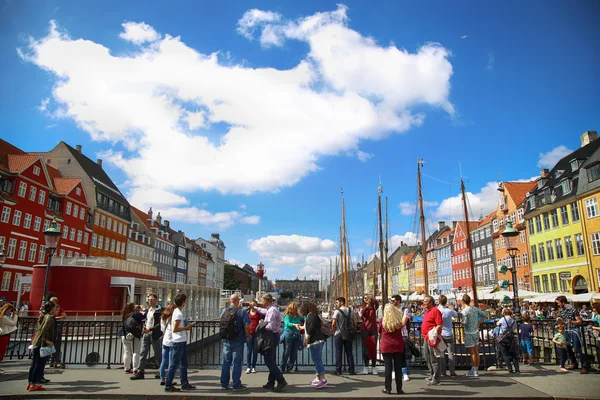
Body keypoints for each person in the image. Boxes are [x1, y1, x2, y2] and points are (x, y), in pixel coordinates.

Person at [252, 293, 287, 392]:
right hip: (273, 336)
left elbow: (270, 327)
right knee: (272, 360)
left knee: (268, 360)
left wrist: (261, 324)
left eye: (262, 300)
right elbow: (264, 310)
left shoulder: (272, 310)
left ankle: (281, 380)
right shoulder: (271, 308)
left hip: (270, 336)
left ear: (267, 300)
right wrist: (254, 307)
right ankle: (270, 382)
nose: (261, 302)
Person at [165, 293, 195, 391]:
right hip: (178, 342)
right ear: (183, 302)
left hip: (181, 341)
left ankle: (184, 383)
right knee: (175, 364)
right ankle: (168, 384)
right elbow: (175, 329)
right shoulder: (178, 313)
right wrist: (186, 327)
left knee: (183, 364)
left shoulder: (176, 312)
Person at [220, 294, 251, 391]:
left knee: (226, 362)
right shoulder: (242, 311)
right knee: (236, 363)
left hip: (226, 340)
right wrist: (249, 335)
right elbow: (247, 325)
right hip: (238, 340)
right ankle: (236, 385)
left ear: (230, 301)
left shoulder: (224, 311)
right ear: (238, 301)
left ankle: (224, 384)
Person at [131, 293, 163, 380]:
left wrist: (150, 329)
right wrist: (144, 328)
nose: (149, 301)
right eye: (148, 299)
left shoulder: (159, 311)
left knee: (157, 353)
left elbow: (159, 324)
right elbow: (146, 320)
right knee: (143, 352)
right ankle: (140, 371)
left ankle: (161, 371)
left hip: (154, 334)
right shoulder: (149, 310)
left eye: (151, 299)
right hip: (146, 333)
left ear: (156, 300)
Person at [27, 301, 58, 391]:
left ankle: (31, 383)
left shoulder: (42, 316)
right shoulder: (49, 318)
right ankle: (34, 384)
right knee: (39, 364)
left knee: (35, 363)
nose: (56, 309)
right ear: (51, 309)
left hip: (36, 342)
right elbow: (44, 330)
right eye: (55, 308)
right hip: (42, 343)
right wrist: (47, 340)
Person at [556, 295, 589, 374]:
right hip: (567, 330)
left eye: (558, 303)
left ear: (563, 302)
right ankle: (574, 363)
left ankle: (585, 366)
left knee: (577, 349)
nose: (558, 305)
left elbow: (579, 321)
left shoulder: (573, 309)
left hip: (574, 330)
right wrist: (559, 320)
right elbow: (562, 320)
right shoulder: (561, 311)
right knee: (568, 349)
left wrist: (571, 322)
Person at [378, 304, 405, 395]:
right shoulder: (398, 321)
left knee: (388, 368)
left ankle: (387, 388)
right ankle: (399, 389)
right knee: (398, 368)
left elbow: (379, 332)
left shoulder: (382, 321)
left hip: (386, 345)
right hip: (398, 345)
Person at [300, 301, 327, 389]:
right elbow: (310, 327)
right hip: (319, 340)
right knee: (317, 358)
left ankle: (322, 379)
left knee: (317, 359)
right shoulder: (314, 315)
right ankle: (318, 377)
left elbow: (311, 329)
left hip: (315, 341)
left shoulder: (310, 316)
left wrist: (306, 340)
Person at [460, 294, 487, 377]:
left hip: (469, 332)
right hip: (476, 331)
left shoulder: (464, 311)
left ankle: (474, 369)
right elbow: (484, 315)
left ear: (463, 302)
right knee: (476, 351)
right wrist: (478, 323)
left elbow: (464, 323)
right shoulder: (475, 309)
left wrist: (460, 319)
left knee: (472, 353)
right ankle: (476, 369)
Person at [421, 295, 443, 386]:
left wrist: (433, 334)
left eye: (426, 301)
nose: (424, 303)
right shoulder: (428, 311)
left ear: (431, 302)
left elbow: (439, 324)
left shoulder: (435, 311)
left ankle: (436, 378)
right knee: (426, 356)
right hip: (426, 337)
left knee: (434, 358)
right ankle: (432, 374)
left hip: (431, 337)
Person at [332, 296, 356, 376]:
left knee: (338, 352)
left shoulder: (337, 311)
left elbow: (333, 323)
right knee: (349, 352)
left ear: (341, 302)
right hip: (349, 333)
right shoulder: (350, 310)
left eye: (337, 302)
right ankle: (351, 370)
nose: (336, 304)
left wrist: (333, 330)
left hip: (339, 333)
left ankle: (338, 370)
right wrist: (353, 329)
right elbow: (354, 321)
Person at [391, 295, 412, 382]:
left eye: (394, 301)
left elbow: (403, 322)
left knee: (404, 355)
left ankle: (405, 372)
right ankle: (394, 371)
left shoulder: (405, 310)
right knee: (392, 355)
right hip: (393, 334)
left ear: (399, 301)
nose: (392, 302)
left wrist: (393, 324)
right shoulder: (391, 310)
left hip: (403, 335)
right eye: (391, 301)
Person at [280, 301, 304, 374]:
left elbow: (305, 318)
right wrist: (294, 325)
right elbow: (287, 323)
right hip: (288, 336)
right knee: (286, 352)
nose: (293, 310)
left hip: (296, 336)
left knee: (294, 353)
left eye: (294, 308)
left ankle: (290, 367)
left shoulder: (298, 316)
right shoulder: (287, 316)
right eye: (292, 308)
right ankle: (282, 368)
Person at [120, 302, 144, 374]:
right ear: (133, 307)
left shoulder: (125, 315)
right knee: (136, 352)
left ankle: (127, 368)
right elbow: (144, 315)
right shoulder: (135, 314)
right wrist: (143, 308)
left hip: (124, 334)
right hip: (134, 335)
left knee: (127, 352)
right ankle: (135, 369)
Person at [437, 295, 457, 377]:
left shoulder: (438, 310)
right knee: (451, 353)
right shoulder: (449, 311)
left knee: (441, 353)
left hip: (441, 333)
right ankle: (452, 371)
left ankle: (443, 371)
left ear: (439, 301)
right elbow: (456, 315)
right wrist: (451, 307)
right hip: (449, 333)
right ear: (446, 302)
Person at [359, 295, 379, 375]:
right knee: (365, 349)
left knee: (373, 348)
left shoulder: (373, 308)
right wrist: (367, 306)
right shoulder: (362, 308)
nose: (367, 299)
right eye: (365, 298)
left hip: (373, 329)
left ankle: (373, 367)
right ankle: (366, 366)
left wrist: (373, 299)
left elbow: (377, 304)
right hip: (365, 330)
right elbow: (362, 314)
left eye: (368, 298)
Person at [497, 309, 520, 373]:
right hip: (511, 337)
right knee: (514, 354)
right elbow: (515, 328)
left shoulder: (502, 319)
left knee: (505, 354)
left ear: (504, 313)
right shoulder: (513, 321)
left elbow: (497, 324)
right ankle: (517, 369)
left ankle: (510, 368)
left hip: (503, 337)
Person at [159, 304, 176, 386]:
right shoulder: (173, 319)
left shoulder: (163, 318)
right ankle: (169, 380)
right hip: (172, 341)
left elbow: (162, 329)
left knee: (163, 361)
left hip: (165, 341)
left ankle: (162, 378)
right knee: (171, 362)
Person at [0, 303, 18, 370]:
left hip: (3, 335)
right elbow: (13, 323)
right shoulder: (3, 317)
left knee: (1, 351)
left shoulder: (3, 316)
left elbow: (9, 321)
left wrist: (12, 315)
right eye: (10, 309)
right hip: (4, 335)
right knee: (1, 351)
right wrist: (15, 315)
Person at [245, 300, 261, 374]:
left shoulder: (258, 313)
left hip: (256, 333)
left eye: (254, 305)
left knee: (255, 351)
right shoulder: (247, 313)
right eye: (252, 304)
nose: (253, 306)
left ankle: (254, 367)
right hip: (249, 333)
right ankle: (248, 367)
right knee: (249, 351)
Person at [589, 301, 600, 374]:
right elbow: (593, 320)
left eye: (594, 307)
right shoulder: (597, 315)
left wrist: (593, 327)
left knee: (599, 351)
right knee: (598, 351)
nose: (593, 309)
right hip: (598, 336)